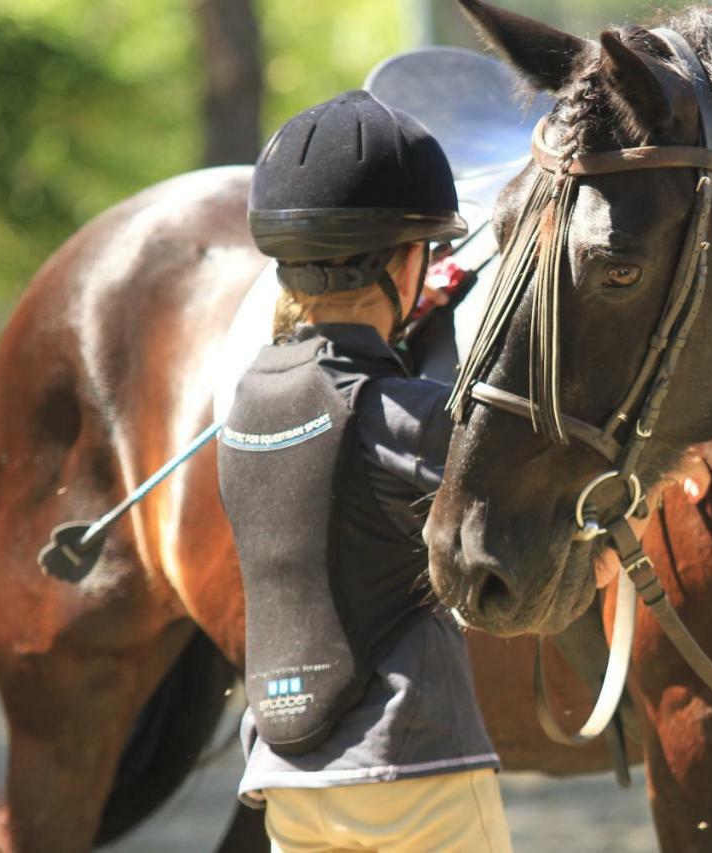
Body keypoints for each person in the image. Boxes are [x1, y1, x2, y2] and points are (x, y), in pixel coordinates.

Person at [216, 89, 511, 853]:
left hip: (284, 775)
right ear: (408, 262)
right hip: (416, 769)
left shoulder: (244, 399)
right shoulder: (408, 413)